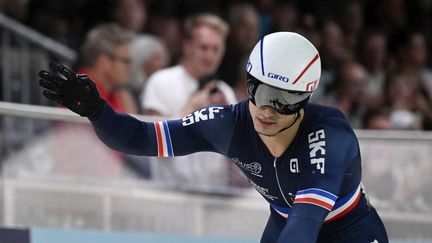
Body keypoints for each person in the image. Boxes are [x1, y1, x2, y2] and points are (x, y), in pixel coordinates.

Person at [38, 32, 388, 242]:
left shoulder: (329, 133)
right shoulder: (227, 123)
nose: (268, 109)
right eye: (261, 93)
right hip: (284, 223)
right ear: (247, 83)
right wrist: (97, 111)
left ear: (306, 99)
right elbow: (141, 138)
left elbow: (306, 222)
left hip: (348, 231)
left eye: (284, 101)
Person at [141, 13, 239, 188]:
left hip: (214, 197)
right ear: (187, 46)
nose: (209, 56)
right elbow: (154, 143)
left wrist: (233, 122)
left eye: (216, 49)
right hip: (169, 194)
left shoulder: (225, 92)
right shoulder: (160, 81)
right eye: (204, 47)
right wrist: (191, 107)